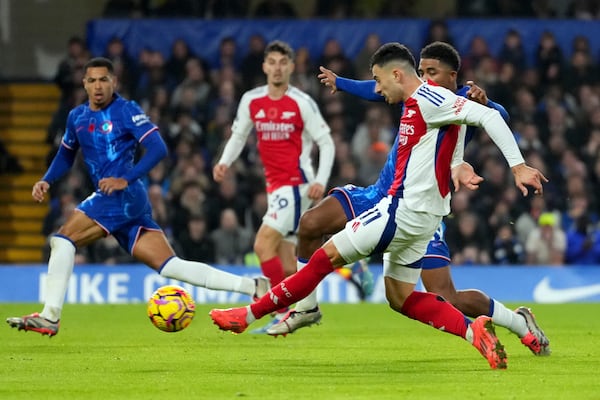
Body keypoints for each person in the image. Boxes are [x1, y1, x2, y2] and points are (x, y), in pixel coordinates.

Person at [210, 42, 548, 370]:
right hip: (412, 213)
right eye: (422, 70)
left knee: (321, 263)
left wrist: (517, 165)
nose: (378, 89)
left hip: (398, 210)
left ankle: (248, 314)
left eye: (379, 79)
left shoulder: (435, 100)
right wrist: (341, 83)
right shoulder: (421, 101)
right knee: (398, 296)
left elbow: (492, 117)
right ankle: (472, 330)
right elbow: (444, 133)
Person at [6, 57, 269, 337]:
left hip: (122, 195)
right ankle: (253, 287)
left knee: (62, 239)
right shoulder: (77, 117)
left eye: (104, 80)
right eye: (92, 80)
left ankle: (50, 316)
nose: (98, 86)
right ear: (84, 84)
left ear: (114, 82)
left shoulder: (126, 111)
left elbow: (158, 148)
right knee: (171, 267)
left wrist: (125, 178)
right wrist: (47, 179)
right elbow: (66, 154)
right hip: (121, 201)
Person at [212, 41, 335, 333]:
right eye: (273, 62)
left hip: (296, 185)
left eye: (283, 62)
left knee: (261, 244)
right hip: (275, 187)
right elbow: (239, 135)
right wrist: (225, 161)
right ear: (265, 66)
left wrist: (320, 180)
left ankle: (281, 311)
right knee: (287, 262)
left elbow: (326, 142)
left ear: (291, 67)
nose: (278, 67)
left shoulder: (301, 102)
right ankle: (307, 307)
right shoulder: (251, 100)